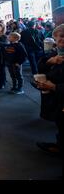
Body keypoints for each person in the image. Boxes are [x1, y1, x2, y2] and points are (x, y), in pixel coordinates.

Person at [36, 24, 64, 158]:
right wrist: (50, 62)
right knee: (60, 122)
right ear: (55, 38)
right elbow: (40, 66)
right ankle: (60, 146)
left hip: (58, 93)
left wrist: (54, 87)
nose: (63, 39)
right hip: (56, 98)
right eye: (61, 36)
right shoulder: (54, 53)